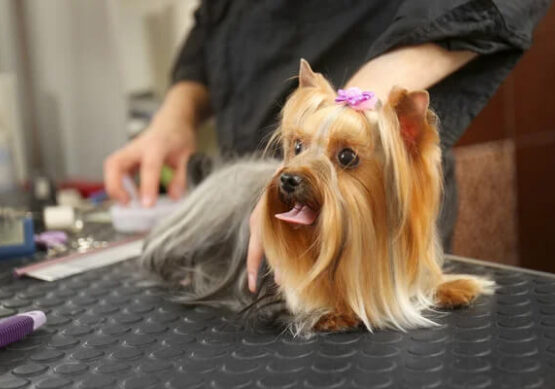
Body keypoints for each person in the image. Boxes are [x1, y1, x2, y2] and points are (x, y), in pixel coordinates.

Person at [104, 0, 549, 293]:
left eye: (345, 156)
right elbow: (215, 21)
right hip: (246, 193)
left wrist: (355, 109)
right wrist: (176, 114)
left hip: (379, 159)